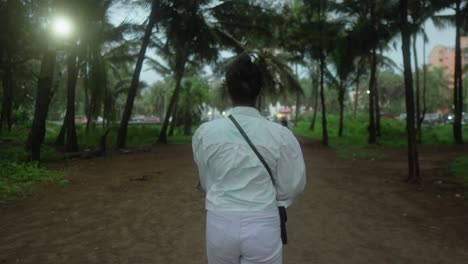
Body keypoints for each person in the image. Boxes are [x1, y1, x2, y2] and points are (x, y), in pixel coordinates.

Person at [192, 54, 306, 264]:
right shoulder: (280, 135)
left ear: (228, 91)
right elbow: (293, 186)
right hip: (263, 222)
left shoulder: (205, 134)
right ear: (259, 92)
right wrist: (271, 196)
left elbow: (207, 180)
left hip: (219, 222)